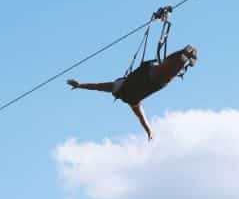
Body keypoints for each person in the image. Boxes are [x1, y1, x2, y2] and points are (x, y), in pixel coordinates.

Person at [67, 44, 197, 141]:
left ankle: (183, 56)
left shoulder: (124, 94)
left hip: (150, 78)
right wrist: (149, 131)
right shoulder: (131, 100)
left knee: (165, 72)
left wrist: (80, 85)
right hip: (151, 80)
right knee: (165, 73)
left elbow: (96, 87)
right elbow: (142, 118)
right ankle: (184, 58)